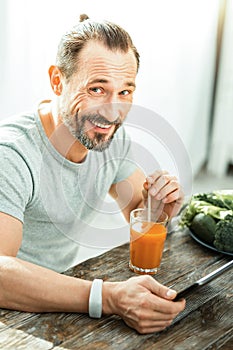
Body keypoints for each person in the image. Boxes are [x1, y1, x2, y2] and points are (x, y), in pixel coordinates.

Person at [0, 14, 185, 334]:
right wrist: (107, 297)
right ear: (58, 81)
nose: (113, 112)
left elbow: (139, 213)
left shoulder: (110, 137)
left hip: (64, 291)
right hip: (14, 308)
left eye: (125, 92)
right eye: (97, 89)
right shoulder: (12, 154)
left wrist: (159, 205)